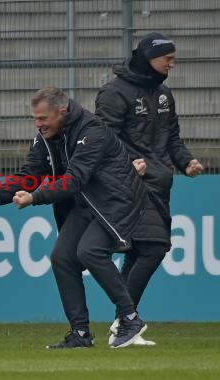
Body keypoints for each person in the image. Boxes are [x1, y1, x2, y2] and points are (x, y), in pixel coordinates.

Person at [0, 86, 148, 349]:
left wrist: (35, 197)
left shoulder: (93, 131)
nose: (38, 124)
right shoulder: (45, 137)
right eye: (35, 118)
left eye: (43, 118)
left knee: (90, 251)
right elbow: (29, 175)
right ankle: (80, 334)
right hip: (84, 203)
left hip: (115, 201)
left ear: (62, 112)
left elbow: (74, 179)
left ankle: (130, 318)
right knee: (62, 257)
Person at [95, 32, 204, 345]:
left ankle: (123, 323)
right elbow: (103, 140)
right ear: (148, 58)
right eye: (167, 59)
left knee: (143, 250)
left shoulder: (164, 94)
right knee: (155, 247)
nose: (172, 64)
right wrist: (129, 161)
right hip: (128, 185)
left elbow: (172, 138)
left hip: (159, 183)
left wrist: (186, 162)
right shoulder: (115, 93)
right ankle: (125, 321)